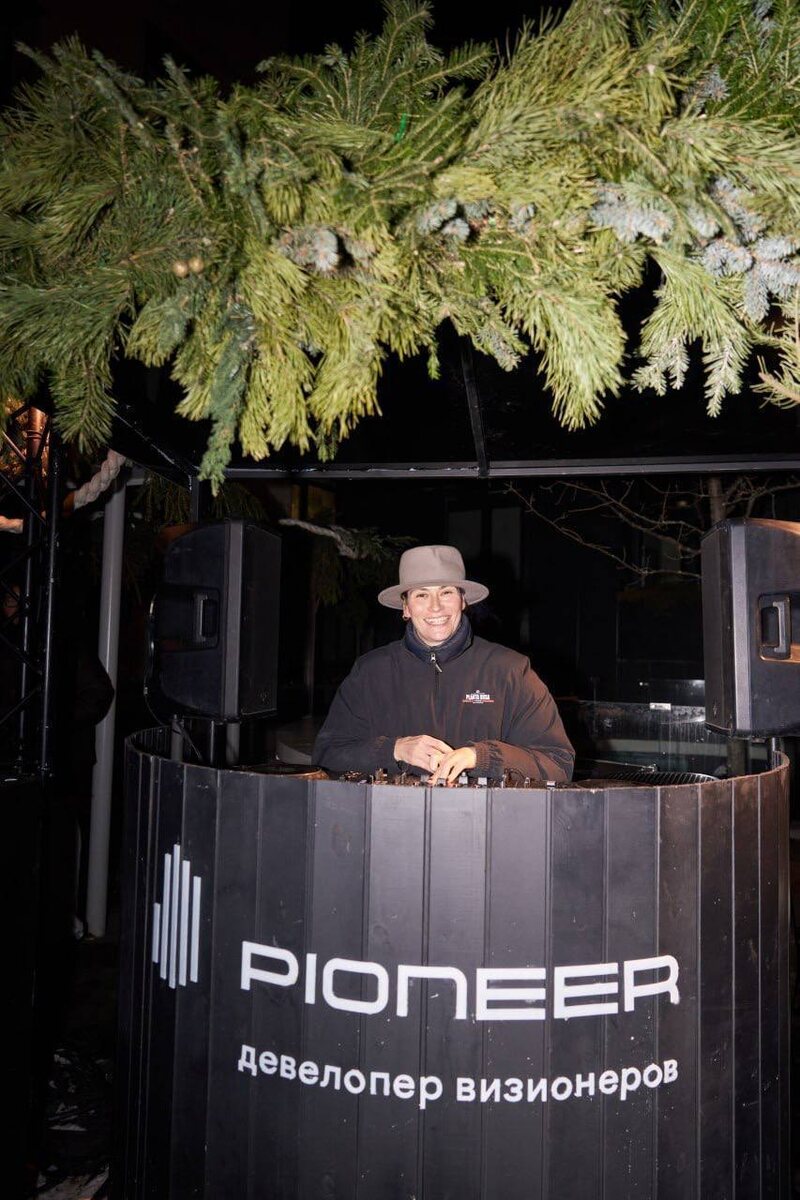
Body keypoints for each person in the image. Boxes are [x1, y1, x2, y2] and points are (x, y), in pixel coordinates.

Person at [313, 544, 574, 784]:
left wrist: (483, 757)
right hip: (393, 816)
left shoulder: (511, 670)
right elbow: (328, 754)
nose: (436, 607)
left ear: (463, 600)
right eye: (422, 595)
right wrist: (394, 749)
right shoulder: (370, 672)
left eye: (446, 592)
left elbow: (558, 764)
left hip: (486, 818)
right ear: (406, 607)